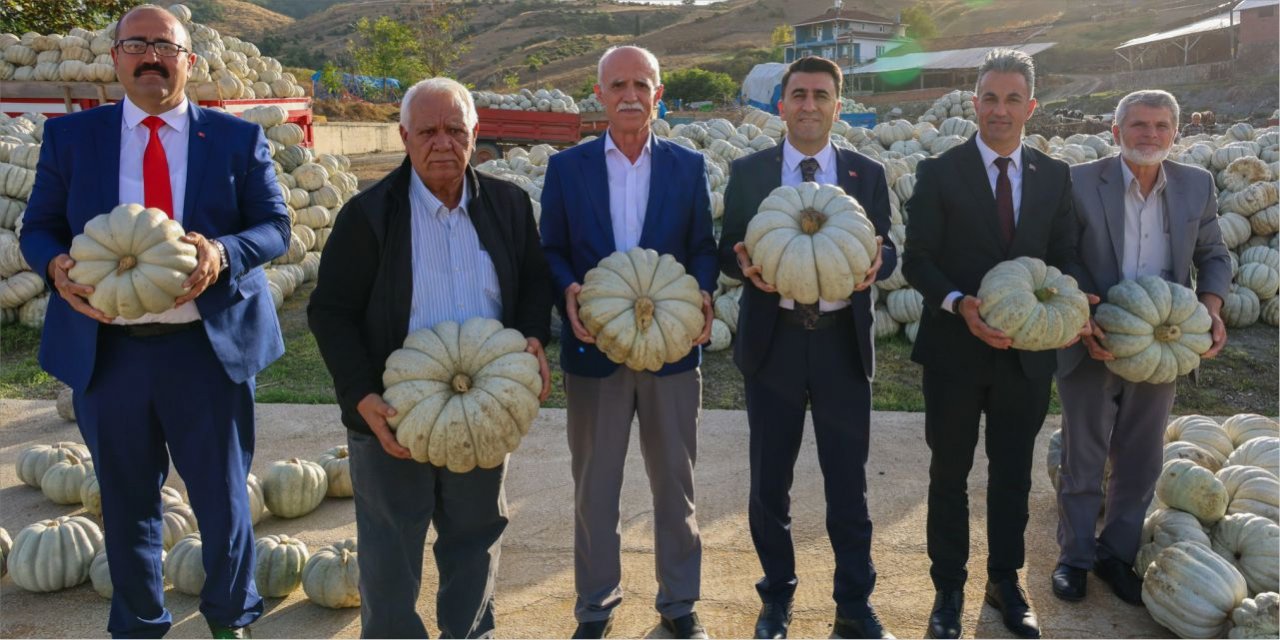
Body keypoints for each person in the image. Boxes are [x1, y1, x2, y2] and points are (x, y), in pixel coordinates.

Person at [18, 4, 290, 637]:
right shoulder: (71, 138)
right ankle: (139, 625)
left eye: (165, 46)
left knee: (222, 500)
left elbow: (275, 228)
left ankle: (229, 621)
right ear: (115, 57)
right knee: (126, 501)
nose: (150, 56)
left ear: (188, 61)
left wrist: (224, 253)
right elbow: (38, 228)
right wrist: (56, 265)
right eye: (135, 44)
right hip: (108, 353)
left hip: (205, 349)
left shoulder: (235, 138)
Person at [307, 77, 553, 638]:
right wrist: (361, 396)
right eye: (427, 131)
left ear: (475, 134)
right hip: (395, 411)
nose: (442, 142)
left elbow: (535, 281)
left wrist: (535, 335)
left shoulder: (510, 205)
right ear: (403, 136)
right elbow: (330, 312)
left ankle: (470, 634)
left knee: (475, 536)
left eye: (455, 129)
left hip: (484, 405)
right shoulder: (368, 216)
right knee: (390, 550)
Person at [902, 48, 1086, 640]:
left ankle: (1004, 582)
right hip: (955, 352)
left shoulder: (1055, 177)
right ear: (974, 101)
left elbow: (1067, 257)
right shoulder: (939, 171)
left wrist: (1072, 303)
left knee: (1012, 475)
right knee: (948, 473)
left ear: (1031, 106)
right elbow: (918, 260)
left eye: (1012, 99)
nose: (999, 110)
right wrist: (961, 304)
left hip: (1028, 360)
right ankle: (948, 589)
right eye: (989, 97)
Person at [539, 45, 717, 640]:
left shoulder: (688, 166)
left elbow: (702, 248)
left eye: (642, 84)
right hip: (594, 350)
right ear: (600, 95)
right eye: (618, 85)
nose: (630, 95)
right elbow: (550, 248)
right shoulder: (567, 169)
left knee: (675, 483)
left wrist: (706, 292)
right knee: (596, 487)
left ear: (658, 93)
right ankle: (595, 607)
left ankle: (679, 604)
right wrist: (566, 287)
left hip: (670, 350)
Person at [717, 55, 894, 640]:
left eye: (821, 95)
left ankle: (853, 605)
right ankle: (776, 599)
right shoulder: (749, 173)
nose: (809, 105)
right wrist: (742, 264)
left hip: (843, 345)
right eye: (799, 95)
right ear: (782, 103)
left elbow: (885, 244)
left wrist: (878, 264)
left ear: (837, 105)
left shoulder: (866, 173)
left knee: (849, 482)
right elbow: (728, 250)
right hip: (776, 345)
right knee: (771, 483)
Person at [1051, 90, 1230, 605]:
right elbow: (1060, 253)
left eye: (1160, 126)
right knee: (1082, 456)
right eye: (1138, 125)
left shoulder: (1198, 185)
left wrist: (1212, 309)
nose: (1149, 135)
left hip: (1163, 343)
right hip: (1095, 337)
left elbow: (1213, 253)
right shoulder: (1080, 181)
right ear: (1116, 131)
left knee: (1141, 457)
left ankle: (1116, 555)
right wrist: (1086, 315)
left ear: (1176, 133)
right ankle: (1075, 559)